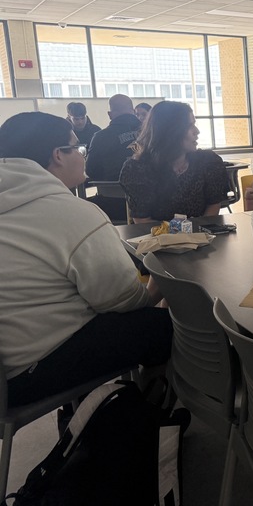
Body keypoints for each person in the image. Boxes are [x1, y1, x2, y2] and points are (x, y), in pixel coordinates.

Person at [0, 112, 171, 407]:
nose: (83, 156)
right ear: (58, 155)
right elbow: (123, 301)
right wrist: (161, 280)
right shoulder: (71, 213)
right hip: (31, 372)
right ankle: (150, 412)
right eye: (79, 148)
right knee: (164, 326)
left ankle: (82, 419)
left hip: (10, 363)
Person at [120, 101, 229, 222]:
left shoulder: (207, 162)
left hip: (202, 236)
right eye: (189, 125)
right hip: (158, 238)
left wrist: (196, 234)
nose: (197, 131)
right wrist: (178, 236)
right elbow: (142, 221)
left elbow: (213, 205)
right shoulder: (138, 170)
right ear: (170, 131)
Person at [85, 94, 141, 181]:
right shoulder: (152, 132)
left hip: (112, 191)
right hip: (152, 191)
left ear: (110, 114)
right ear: (133, 111)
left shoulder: (100, 137)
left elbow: (91, 170)